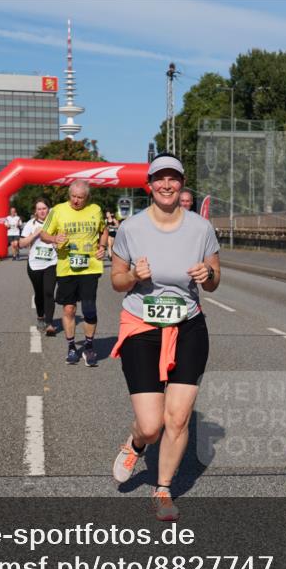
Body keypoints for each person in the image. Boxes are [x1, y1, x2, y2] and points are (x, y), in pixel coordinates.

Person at [109, 153, 221, 522]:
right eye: (160, 179)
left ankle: (163, 489)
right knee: (152, 425)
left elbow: (216, 280)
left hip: (188, 326)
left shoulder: (200, 228)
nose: (167, 185)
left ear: (182, 183)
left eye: (173, 179)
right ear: (150, 184)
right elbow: (116, 281)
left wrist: (208, 274)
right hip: (142, 327)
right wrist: (134, 277)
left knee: (177, 419)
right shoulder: (131, 228)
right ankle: (136, 442)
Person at [39, 180, 108, 366]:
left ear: (87, 197)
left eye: (81, 198)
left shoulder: (95, 209)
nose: (76, 201)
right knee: (69, 308)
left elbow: (104, 230)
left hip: (90, 267)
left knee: (89, 309)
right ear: (69, 195)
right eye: (73, 197)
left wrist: (102, 247)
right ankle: (71, 347)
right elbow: (43, 234)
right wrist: (54, 237)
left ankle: (89, 346)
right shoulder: (58, 210)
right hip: (66, 267)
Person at [19, 198, 59, 335]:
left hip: (51, 263)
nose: (42, 211)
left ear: (49, 209)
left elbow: (62, 239)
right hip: (35, 264)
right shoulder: (30, 224)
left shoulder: (56, 223)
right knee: (39, 293)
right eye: (39, 209)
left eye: (44, 208)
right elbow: (22, 243)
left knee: (49, 292)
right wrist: (35, 234)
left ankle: (49, 323)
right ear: (36, 211)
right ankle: (40, 316)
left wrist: (57, 243)